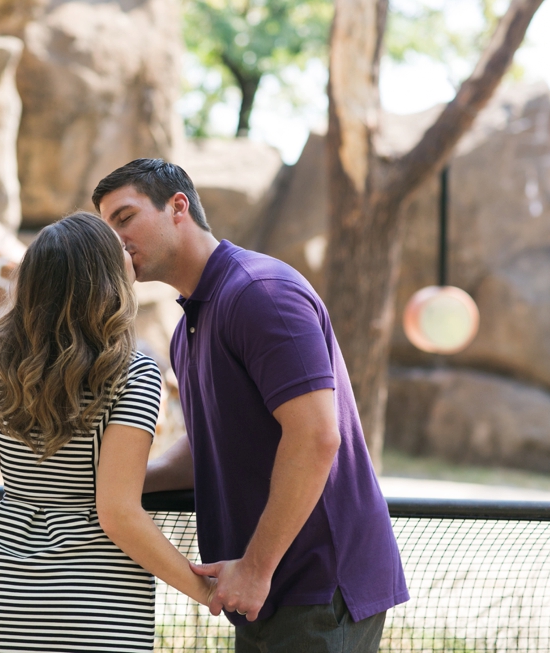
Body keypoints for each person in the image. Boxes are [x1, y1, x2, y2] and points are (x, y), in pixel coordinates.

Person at [93, 159, 409, 652]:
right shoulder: (189, 328)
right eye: (107, 228)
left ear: (179, 207)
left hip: (319, 591)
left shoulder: (260, 293)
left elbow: (317, 437)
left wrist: (257, 568)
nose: (116, 241)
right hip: (261, 590)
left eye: (125, 218)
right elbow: (206, 453)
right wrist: (113, 482)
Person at [0, 211, 215, 652]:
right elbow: (117, 511)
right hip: (98, 618)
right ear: (105, 278)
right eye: (120, 253)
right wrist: (206, 592)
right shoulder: (135, 372)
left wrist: (18, 529)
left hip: (1, 610)